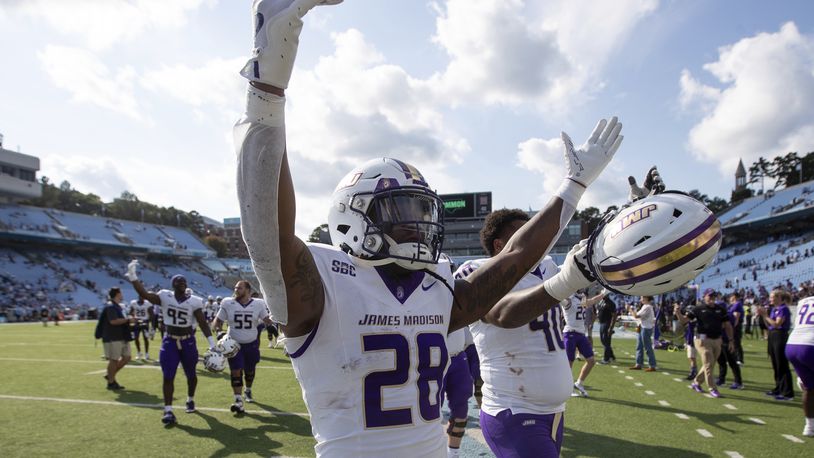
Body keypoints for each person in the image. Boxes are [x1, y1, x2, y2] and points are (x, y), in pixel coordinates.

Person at [234, 1, 622, 454]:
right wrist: (268, 85)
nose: (419, 227)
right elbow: (266, 230)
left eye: (423, 214)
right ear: (354, 217)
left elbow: (516, 257)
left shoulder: (436, 286)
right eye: (402, 212)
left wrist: (573, 186)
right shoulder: (324, 282)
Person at [454, 208, 572, 456]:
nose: (533, 241)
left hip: (554, 412)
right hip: (513, 409)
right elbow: (504, 315)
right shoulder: (473, 271)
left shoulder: (547, 266)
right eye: (523, 234)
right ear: (500, 245)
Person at [126, 266, 218, 425]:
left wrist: (212, 343)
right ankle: (168, 410)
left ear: (186, 284)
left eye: (183, 281)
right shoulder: (164, 296)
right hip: (169, 341)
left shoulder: (195, 301)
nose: (181, 283)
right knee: (168, 376)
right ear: (173, 284)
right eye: (178, 281)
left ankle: (190, 399)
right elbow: (144, 294)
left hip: (188, 340)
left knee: (191, 375)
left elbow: (203, 323)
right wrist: (133, 277)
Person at [211, 280, 275, 414]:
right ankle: (238, 400)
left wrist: (272, 326)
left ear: (248, 290)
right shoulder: (228, 303)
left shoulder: (258, 303)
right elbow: (217, 321)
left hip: (251, 344)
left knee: (250, 371)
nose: (236, 290)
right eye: (235, 288)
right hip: (234, 345)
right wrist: (218, 332)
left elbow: (266, 319)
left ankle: (248, 389)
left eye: (239, 288)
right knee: (236, 371)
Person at [675, 289, 735, 398]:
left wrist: (731, 340)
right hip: (702, 340)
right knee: (708, 363)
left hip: (717, 339)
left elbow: (727, 325)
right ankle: (712, 388)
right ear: (704, 296)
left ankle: (696, 382)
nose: (712, 298)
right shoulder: (698, 308)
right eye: (710, 296)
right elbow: (684, 321)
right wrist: (678, 313)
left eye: (713, 296)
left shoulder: (720, 309)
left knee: (710, 364)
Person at [563, 290, 606, 395]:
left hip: (581, 333)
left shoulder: (580, 298)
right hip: (570, 333)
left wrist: (604, 293)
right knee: (569, 363)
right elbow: (560, 300)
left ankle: (579, 383)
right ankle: (568, 387)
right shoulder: (568, 298)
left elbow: (592, 301)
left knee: (591, 360)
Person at [784, 294, 814, 436]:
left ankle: (809, 426)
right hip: (811, 345)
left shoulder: (804, 301)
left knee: (809, 388)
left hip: (793, 344)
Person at [757, 289, 795, 400]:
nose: (770, 299)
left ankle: (788, 393)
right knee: (775, 364)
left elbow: (777, 324)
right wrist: (763, 316)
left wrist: (765, 315)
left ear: (779, 298)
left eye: (773, 297)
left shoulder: (783, 309)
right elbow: (769, 325)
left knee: (781, 364)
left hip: (780, 336)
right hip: (773, 335)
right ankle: (778, 388)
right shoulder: (775, 309)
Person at [101, 287, 135, 390]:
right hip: (113, 337)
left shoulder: (118, 306)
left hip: (121, 336)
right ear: (117, 294)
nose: (122, 294)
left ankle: (110, 375)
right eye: (121, 293)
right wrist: (128, 320)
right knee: (114, 360)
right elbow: (113, 321)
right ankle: (111, 383)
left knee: (127, 357)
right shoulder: (111, 306)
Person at [629, 296, 657, 372]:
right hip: (642, 327)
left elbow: (636, 316)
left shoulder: (647, 307)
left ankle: (652, 365)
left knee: (647, 347)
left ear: (646, 299)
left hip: (646, 328)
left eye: (642, 298)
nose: (640, 299)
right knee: (639, 347)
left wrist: (630, 310)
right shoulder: (645, 306)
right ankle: (638, 364)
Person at [596, 291, 618, 364]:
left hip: (607, 323)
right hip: (602, 323)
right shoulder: (601, 301)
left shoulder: (610, 303)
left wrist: (611, 327)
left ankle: (606, 359)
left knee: (606, 342)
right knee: (603, 341)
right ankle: (611, 356)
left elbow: (614, 316)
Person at [728, 292, 745, 364]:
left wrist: (734, 326)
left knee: (736, 342)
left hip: (735, 325)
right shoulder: (734, 304)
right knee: (734, 342)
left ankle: (739, 359)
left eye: (731, 296)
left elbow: (736, 315)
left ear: (734, 297)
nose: (730, 298)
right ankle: (734, 358)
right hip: (734, 324)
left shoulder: (737, 304)